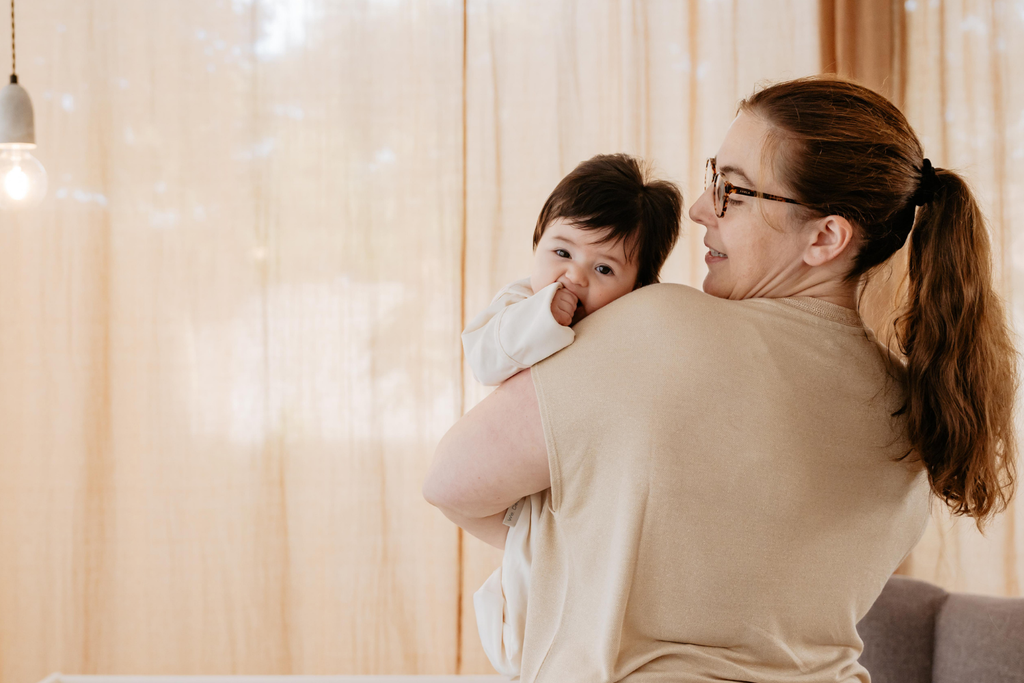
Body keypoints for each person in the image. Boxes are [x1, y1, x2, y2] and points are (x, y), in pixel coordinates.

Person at [423, 76, 1018, 683]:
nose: (701, 208)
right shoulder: (920, 408)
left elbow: (452, 481)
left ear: (824, 237)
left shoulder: (657, 328)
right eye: (714, 178)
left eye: (732, 190)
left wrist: (576, 549)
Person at [462, 153, 682, 676]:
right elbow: (484, 357)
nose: (574, 277)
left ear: (639, 286)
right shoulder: (518, 303)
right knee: (528, 585)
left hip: (597, 490)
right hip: (531, 493)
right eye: (561, 251)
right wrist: (541, 317)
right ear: (537, 239)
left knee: (591, 595)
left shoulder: (629, 325)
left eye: (603, 268)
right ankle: (519, 654)